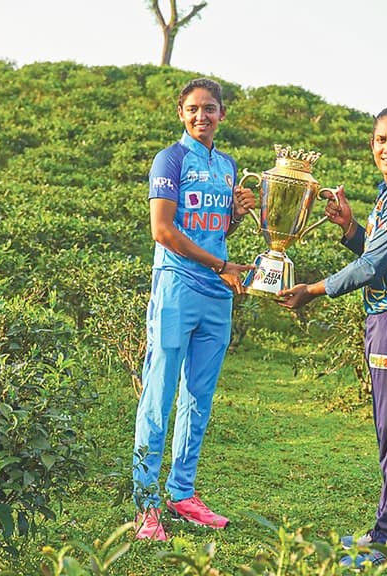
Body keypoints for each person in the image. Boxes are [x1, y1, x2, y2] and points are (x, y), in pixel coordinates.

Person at [277, 93, 387, 568]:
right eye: (380, 140)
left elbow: (372, 267)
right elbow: (382, 255)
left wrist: (312, 289)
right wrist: (351, 228)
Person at [133, 77, 256, 541]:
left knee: (198, 400)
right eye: (193, 109)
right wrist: (223, 263)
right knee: (159, 396)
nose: (201, 116)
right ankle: (146, 506)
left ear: (222, 114)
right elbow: (163, 231)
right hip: (177, 287)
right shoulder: (170, 159)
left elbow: (214, 228)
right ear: (181, 114)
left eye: (210, 108)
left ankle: (181, 494)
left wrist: (238, 215)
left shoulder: (227, 165)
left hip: (217, 294)